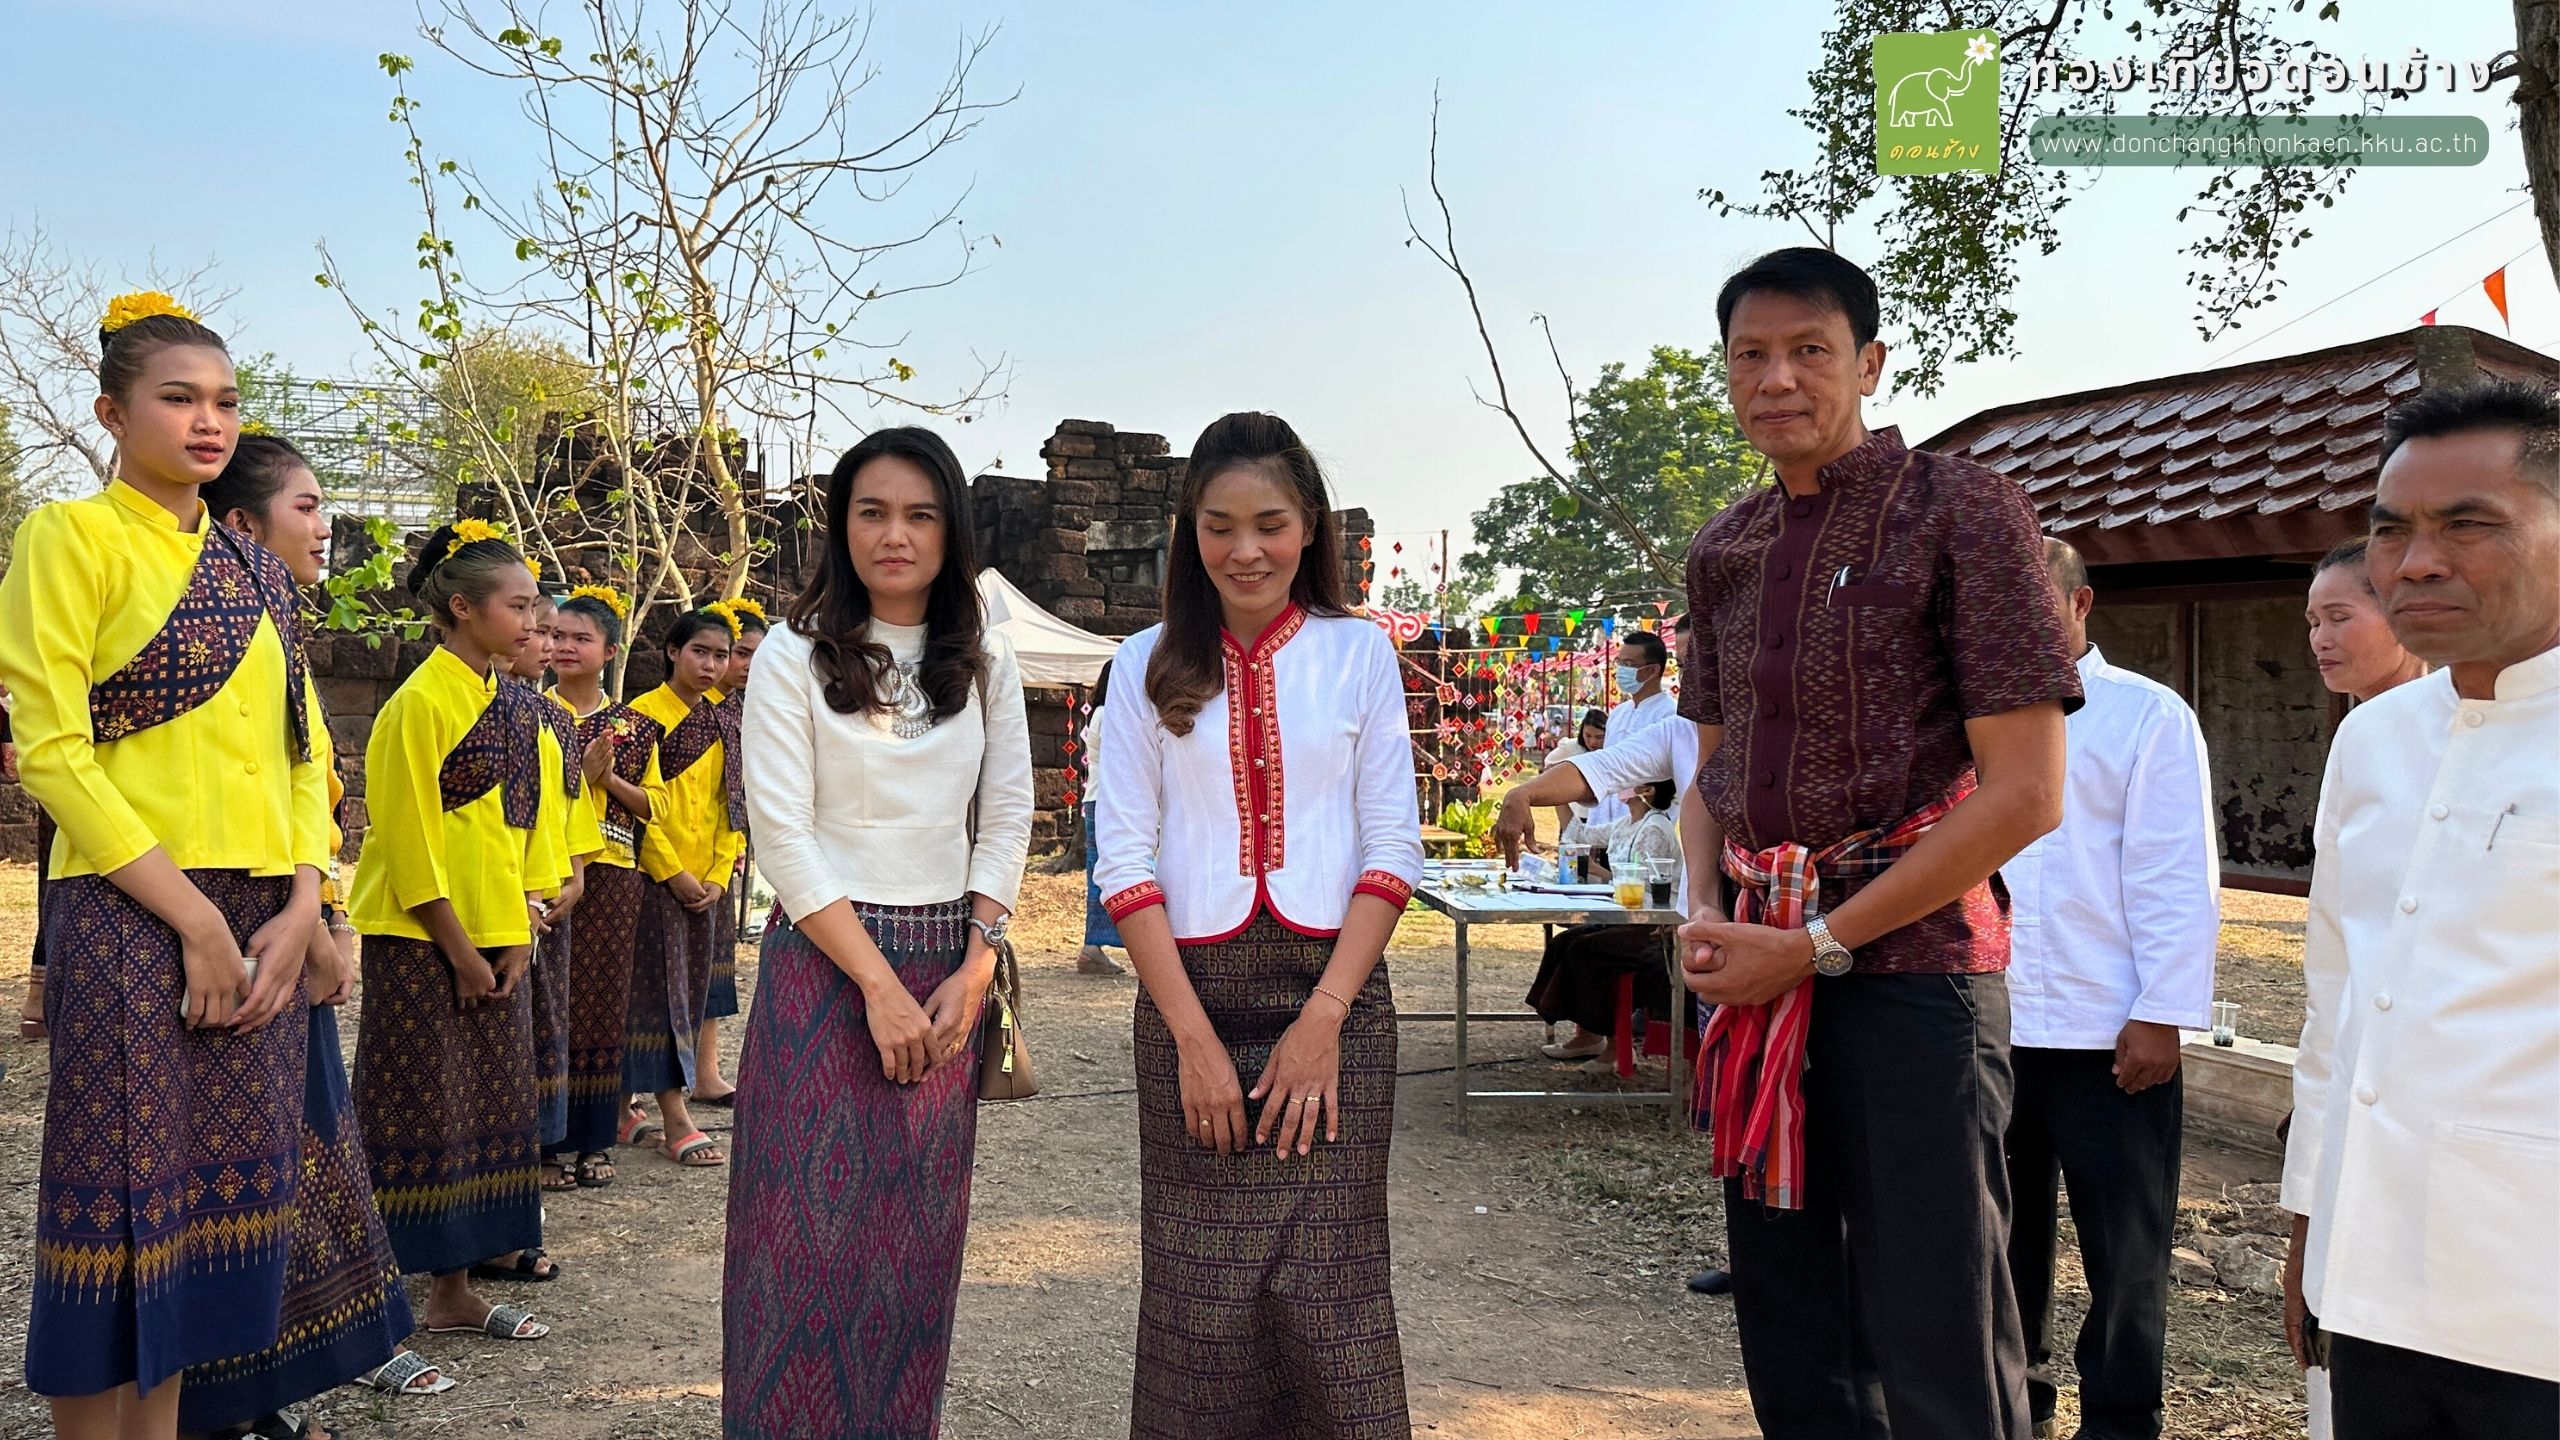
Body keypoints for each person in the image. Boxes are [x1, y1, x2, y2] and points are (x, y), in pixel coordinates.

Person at [1673, 248, 2079, 1440]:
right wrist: (1705, 908)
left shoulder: (1962, 508)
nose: (1777, 379)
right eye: (1750, 355)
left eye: (1809, 350)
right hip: (1755, 973)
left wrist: (1814, 944)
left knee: (1937, 1322)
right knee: (1792, 1325)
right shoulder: (1725, 546)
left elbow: (2024, 794)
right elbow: (1711, 771)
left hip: (1915, 976)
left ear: (1869, 362)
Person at [0, 296, 330, 1439]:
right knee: (115, 1207)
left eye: (225, 402)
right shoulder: (70, 538)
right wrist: (193, 919)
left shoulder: (255, 570)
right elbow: (53, 751)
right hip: (132, 902)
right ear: (111, 412)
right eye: (178, 398)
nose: (208, 422)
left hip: (263, 915)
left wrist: (304, 904)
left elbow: (305, 750)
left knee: (205, 1216)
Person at [1096, 411, 1424, 1439]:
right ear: (1188, 532)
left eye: (1270, 524)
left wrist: (1325, 1019)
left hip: (1335, 1000)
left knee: (1330, 1292)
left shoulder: (1358, 653)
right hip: (1188, 1003)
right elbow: (1124, 862)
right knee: (1200, 1304)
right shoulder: (1143, 662)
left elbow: (1392, 848)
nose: (1246, 550)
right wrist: (1191, 1042)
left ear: (1310, 527)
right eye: (1219, 526)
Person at [725, 426, 1033, 1439]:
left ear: (952, 530)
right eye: (872, 512)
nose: (894, 535)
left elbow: (1007, 817)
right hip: (824, 966)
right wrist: (875, 983)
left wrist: (977, 965)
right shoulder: (790, 654)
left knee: (913, 1247)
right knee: (794, 1246)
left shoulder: (985, 658)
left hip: (947, 970)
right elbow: (783, 833)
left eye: (918, 514)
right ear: (841, 526)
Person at [2281, 380, 2560, 1439]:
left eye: (2469, 525)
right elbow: (2337, 1003)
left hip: (2535, 1292)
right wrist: (2311, 1215)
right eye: (2391, 530)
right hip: (2373, 1270)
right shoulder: (2375, 739)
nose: (2417, 563)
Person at [175, 434, 426, 1439]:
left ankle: (254, 1394)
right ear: (241, 525)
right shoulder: (203, 631)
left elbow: (306, 786)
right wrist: (297, 912)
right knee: (224, 1169)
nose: (326, 528)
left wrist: (319, 910)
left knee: (288, 1155)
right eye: (307, 507)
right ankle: (211, 1404)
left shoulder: (278, 629)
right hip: (220, 912)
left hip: (285, 911)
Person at [2002, 537, 2219, 1440]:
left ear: (2079, 604)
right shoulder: (1974, 720)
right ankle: (2016, 1404)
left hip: (2109, 1032)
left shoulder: (2146, 714)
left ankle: (2123, 1420)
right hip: (1994, 1025)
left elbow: (2176, 872)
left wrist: (2162, 1013)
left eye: (2033, 603)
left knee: (2125, 1251)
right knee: (2000, 1243)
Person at [349, 519, 554, 1344]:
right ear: (464, 608)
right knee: (414, 1109)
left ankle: (454, 1291)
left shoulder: (515, 706)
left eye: (535, 605)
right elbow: (407, 841)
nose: (533, 622)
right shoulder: (418, 704)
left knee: (487, 1109)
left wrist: (518, 929)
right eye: (519, 606)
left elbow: (525, 829)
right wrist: (460, 950)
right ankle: (370, 1299)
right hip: (418, 940)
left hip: (497, 939)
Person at [546, 586, 660, 1187]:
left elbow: (654, 806)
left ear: (609, 652)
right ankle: (544, 1142)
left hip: (614, 874)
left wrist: (607, 780)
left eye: (580, 639)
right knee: (548, 1003)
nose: (565, 647)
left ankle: (594, 1139)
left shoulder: (633, 727)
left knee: (600, 1003)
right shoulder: (531, 712)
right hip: (546, 868)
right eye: (556, 635)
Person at [622, 608, 742, 1169]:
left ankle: (624, 1106)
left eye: (721, 655)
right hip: (650, 880)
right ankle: (673, 1116)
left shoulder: (722, 721)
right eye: (700, 652)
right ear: (673, 652)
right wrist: (672, 872)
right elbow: (631, 811)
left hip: (706, 884)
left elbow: (729, 804)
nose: (711, 665)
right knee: (653, 997)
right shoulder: (640, 717)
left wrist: (717, 873)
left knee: (689, 995)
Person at [511, 592, 608, 1209]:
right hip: (508, 893)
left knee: (555, 1018)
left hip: (555, 891)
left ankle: (555, 1138)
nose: (548, 645)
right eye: (541, 631)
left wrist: (574, 873)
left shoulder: (553, 719)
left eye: (556, 634)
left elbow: (571, 802)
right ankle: (526, 1148)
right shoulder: (494, 709)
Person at [1521, 776, 1681, 1064]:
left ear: (1647, 790)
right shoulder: (1627, 823)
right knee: (1565, 942)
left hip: (1654, 925)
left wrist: (1598, 872)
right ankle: (1588, 1036)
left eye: (1633, 779)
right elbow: (1580, 835)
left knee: (1590, 952)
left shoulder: (1655, 828)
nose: (1622, 783)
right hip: (1626, 918)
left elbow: (1644, 888)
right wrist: (1557, 793)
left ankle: (1616, 1048)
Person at [691, 596, 766, 1107]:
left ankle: (706, 1072)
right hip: (678, 856)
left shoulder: (745, 710)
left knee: (714, 970)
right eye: (739, 653)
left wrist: (733, 849)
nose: (743, 666)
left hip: (724, 854)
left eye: (754, 655)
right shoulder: (691, 710)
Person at [2306, 538, 2425, 703]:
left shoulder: (2452, 714)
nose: (2319, 641)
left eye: (2339, 618)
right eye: (2315, 623)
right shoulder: (2365, 720)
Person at [1583, 629, 1676, 833]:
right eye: (1619, 663)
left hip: (1643, 827)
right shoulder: (1618, 713)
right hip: (1604, 824)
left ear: (1652, 670)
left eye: (1629, 665)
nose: (1621, 671)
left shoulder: (1670, 715)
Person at [1077, 657, 1129, 975]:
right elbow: (1119, 762)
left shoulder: (1099, 713)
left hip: (1100, 799)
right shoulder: (1109, 714)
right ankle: (1094, 946)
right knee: (1111, 873)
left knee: (1103, 872)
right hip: (1108, 801)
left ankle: (1093, 946)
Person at [1539, 708, 1608, 840]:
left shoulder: (1612, 752)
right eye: (1588, 735)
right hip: (1574, 814)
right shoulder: (1571, 747)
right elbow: (1548, 767)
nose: (1593, 742)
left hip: (1603, 817)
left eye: (1599, 737)